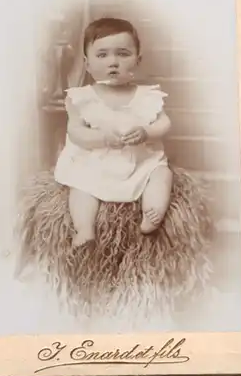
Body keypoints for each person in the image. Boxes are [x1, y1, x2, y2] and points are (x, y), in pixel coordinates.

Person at [54, 17, 173, 246]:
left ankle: (153, 211)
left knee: (161, 174)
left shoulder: (148, 96)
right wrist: (101, 138)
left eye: (123, 54)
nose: (113, 62)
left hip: (140, 160)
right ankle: (84, 227)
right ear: (87, 64)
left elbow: (164, 123)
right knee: (80, 185)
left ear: (138, 60)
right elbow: (75, 131)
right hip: (95, 160)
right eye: (102, 55)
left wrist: (146, 132)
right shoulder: (82, 98)